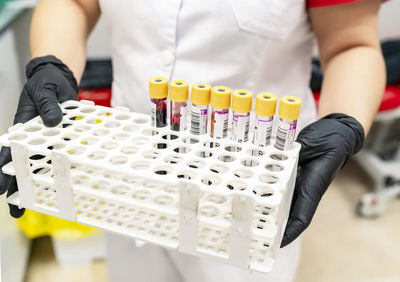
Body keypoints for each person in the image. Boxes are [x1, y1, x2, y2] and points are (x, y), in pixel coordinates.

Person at [0, 0, 386, 281]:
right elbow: (73, 3)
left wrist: (344, 121)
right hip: (129, 181)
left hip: (246, 200)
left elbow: (351, 45)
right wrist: (52, 64)